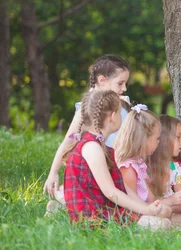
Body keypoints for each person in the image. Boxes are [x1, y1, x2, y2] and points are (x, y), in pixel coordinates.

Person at [62, 90, 171, 229]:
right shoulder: (92, 147)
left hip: (107, 210)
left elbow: (125, 189)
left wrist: (146, 209)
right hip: (93, 217)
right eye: (120, 113)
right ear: (113, 117)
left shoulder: (103, 148)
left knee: (164, 214)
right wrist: (145, 211)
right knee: (163, 225)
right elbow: (110, 192)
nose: (121, 117)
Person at [43, 55, 131, 198]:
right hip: (100, 168)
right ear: (102, 80)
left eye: (125, 83)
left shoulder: (119, 105)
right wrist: (53, 172)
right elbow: (69, 140)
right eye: (120, 83)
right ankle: (62, 199)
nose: (124, 88)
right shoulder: (89, 108)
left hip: (121, 164)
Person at [115, 106, 181, 226]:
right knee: (166, 215)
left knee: (172, 213)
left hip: (152, 208)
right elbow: (132, 206)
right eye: (157, 138)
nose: (159, 142)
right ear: (144, 139)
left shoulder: (140, 164)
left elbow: (152, 199)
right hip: (136, 215)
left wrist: (179, 204)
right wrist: (172, 203)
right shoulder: (129, 167)